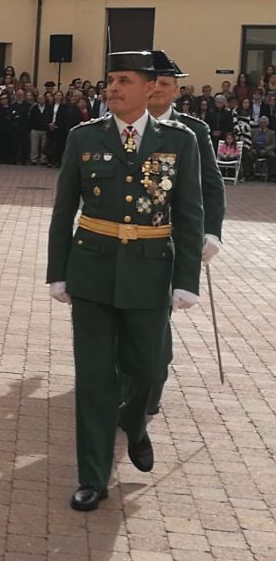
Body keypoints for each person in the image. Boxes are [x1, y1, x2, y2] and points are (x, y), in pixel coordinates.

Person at [47, 50, 204, 512]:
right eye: (109, 80)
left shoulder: (180, 140)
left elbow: (189, 214)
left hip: (151, 271)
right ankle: (92, 478)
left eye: (123, 80)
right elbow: (63, 212)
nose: (112, 88)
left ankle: (134, 424)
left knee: (150, 369)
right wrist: (57, 273)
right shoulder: (83, 137)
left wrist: (186, 278)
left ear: (149, 87)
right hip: (92, 269)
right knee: (95, 378)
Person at [143, 50, 226, 415]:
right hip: (125, 237)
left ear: (176, 91)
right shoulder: (120, 124)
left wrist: (211, 232)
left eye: (166, 84)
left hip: (172, 238)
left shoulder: (194, 130)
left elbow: (211, 186)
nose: (158, 90)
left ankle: (151, 381)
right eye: (154, 83)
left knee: (157, 315)